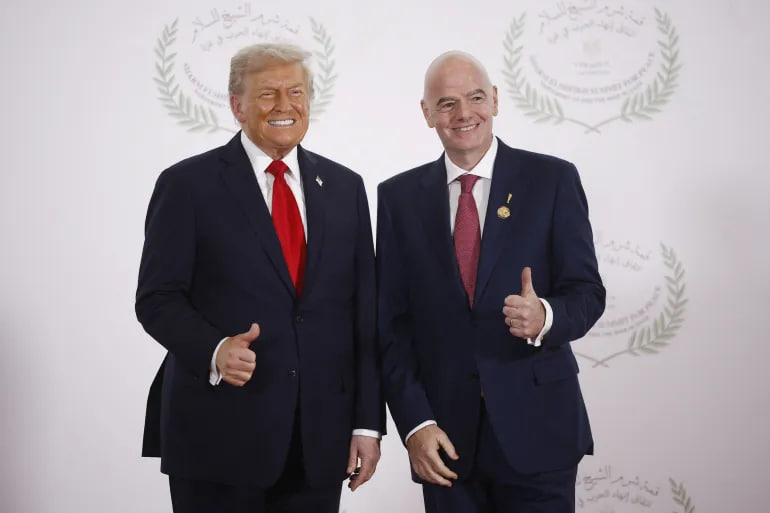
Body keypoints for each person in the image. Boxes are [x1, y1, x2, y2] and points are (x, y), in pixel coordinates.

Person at [136, 43, 383, 513]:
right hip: (217, 438)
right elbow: (156, 298)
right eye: (268, 93)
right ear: (238, 106)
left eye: (296, 92)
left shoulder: (345, 187)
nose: (284, 105)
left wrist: (366, 424)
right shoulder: (187, 185)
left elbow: (363, 313)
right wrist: (214, 349)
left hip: (318, 442)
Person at [376, 51, 606, 513]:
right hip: (445, 443)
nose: (464, 113)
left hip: (540, 432)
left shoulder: (552, 179)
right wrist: (416, 424)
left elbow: (587, 293)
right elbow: (391, 328)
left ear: (495, 100)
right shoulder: (398, 198)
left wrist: (545, 317)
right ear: (426, 113)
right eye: (446, 103)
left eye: (476, 97)